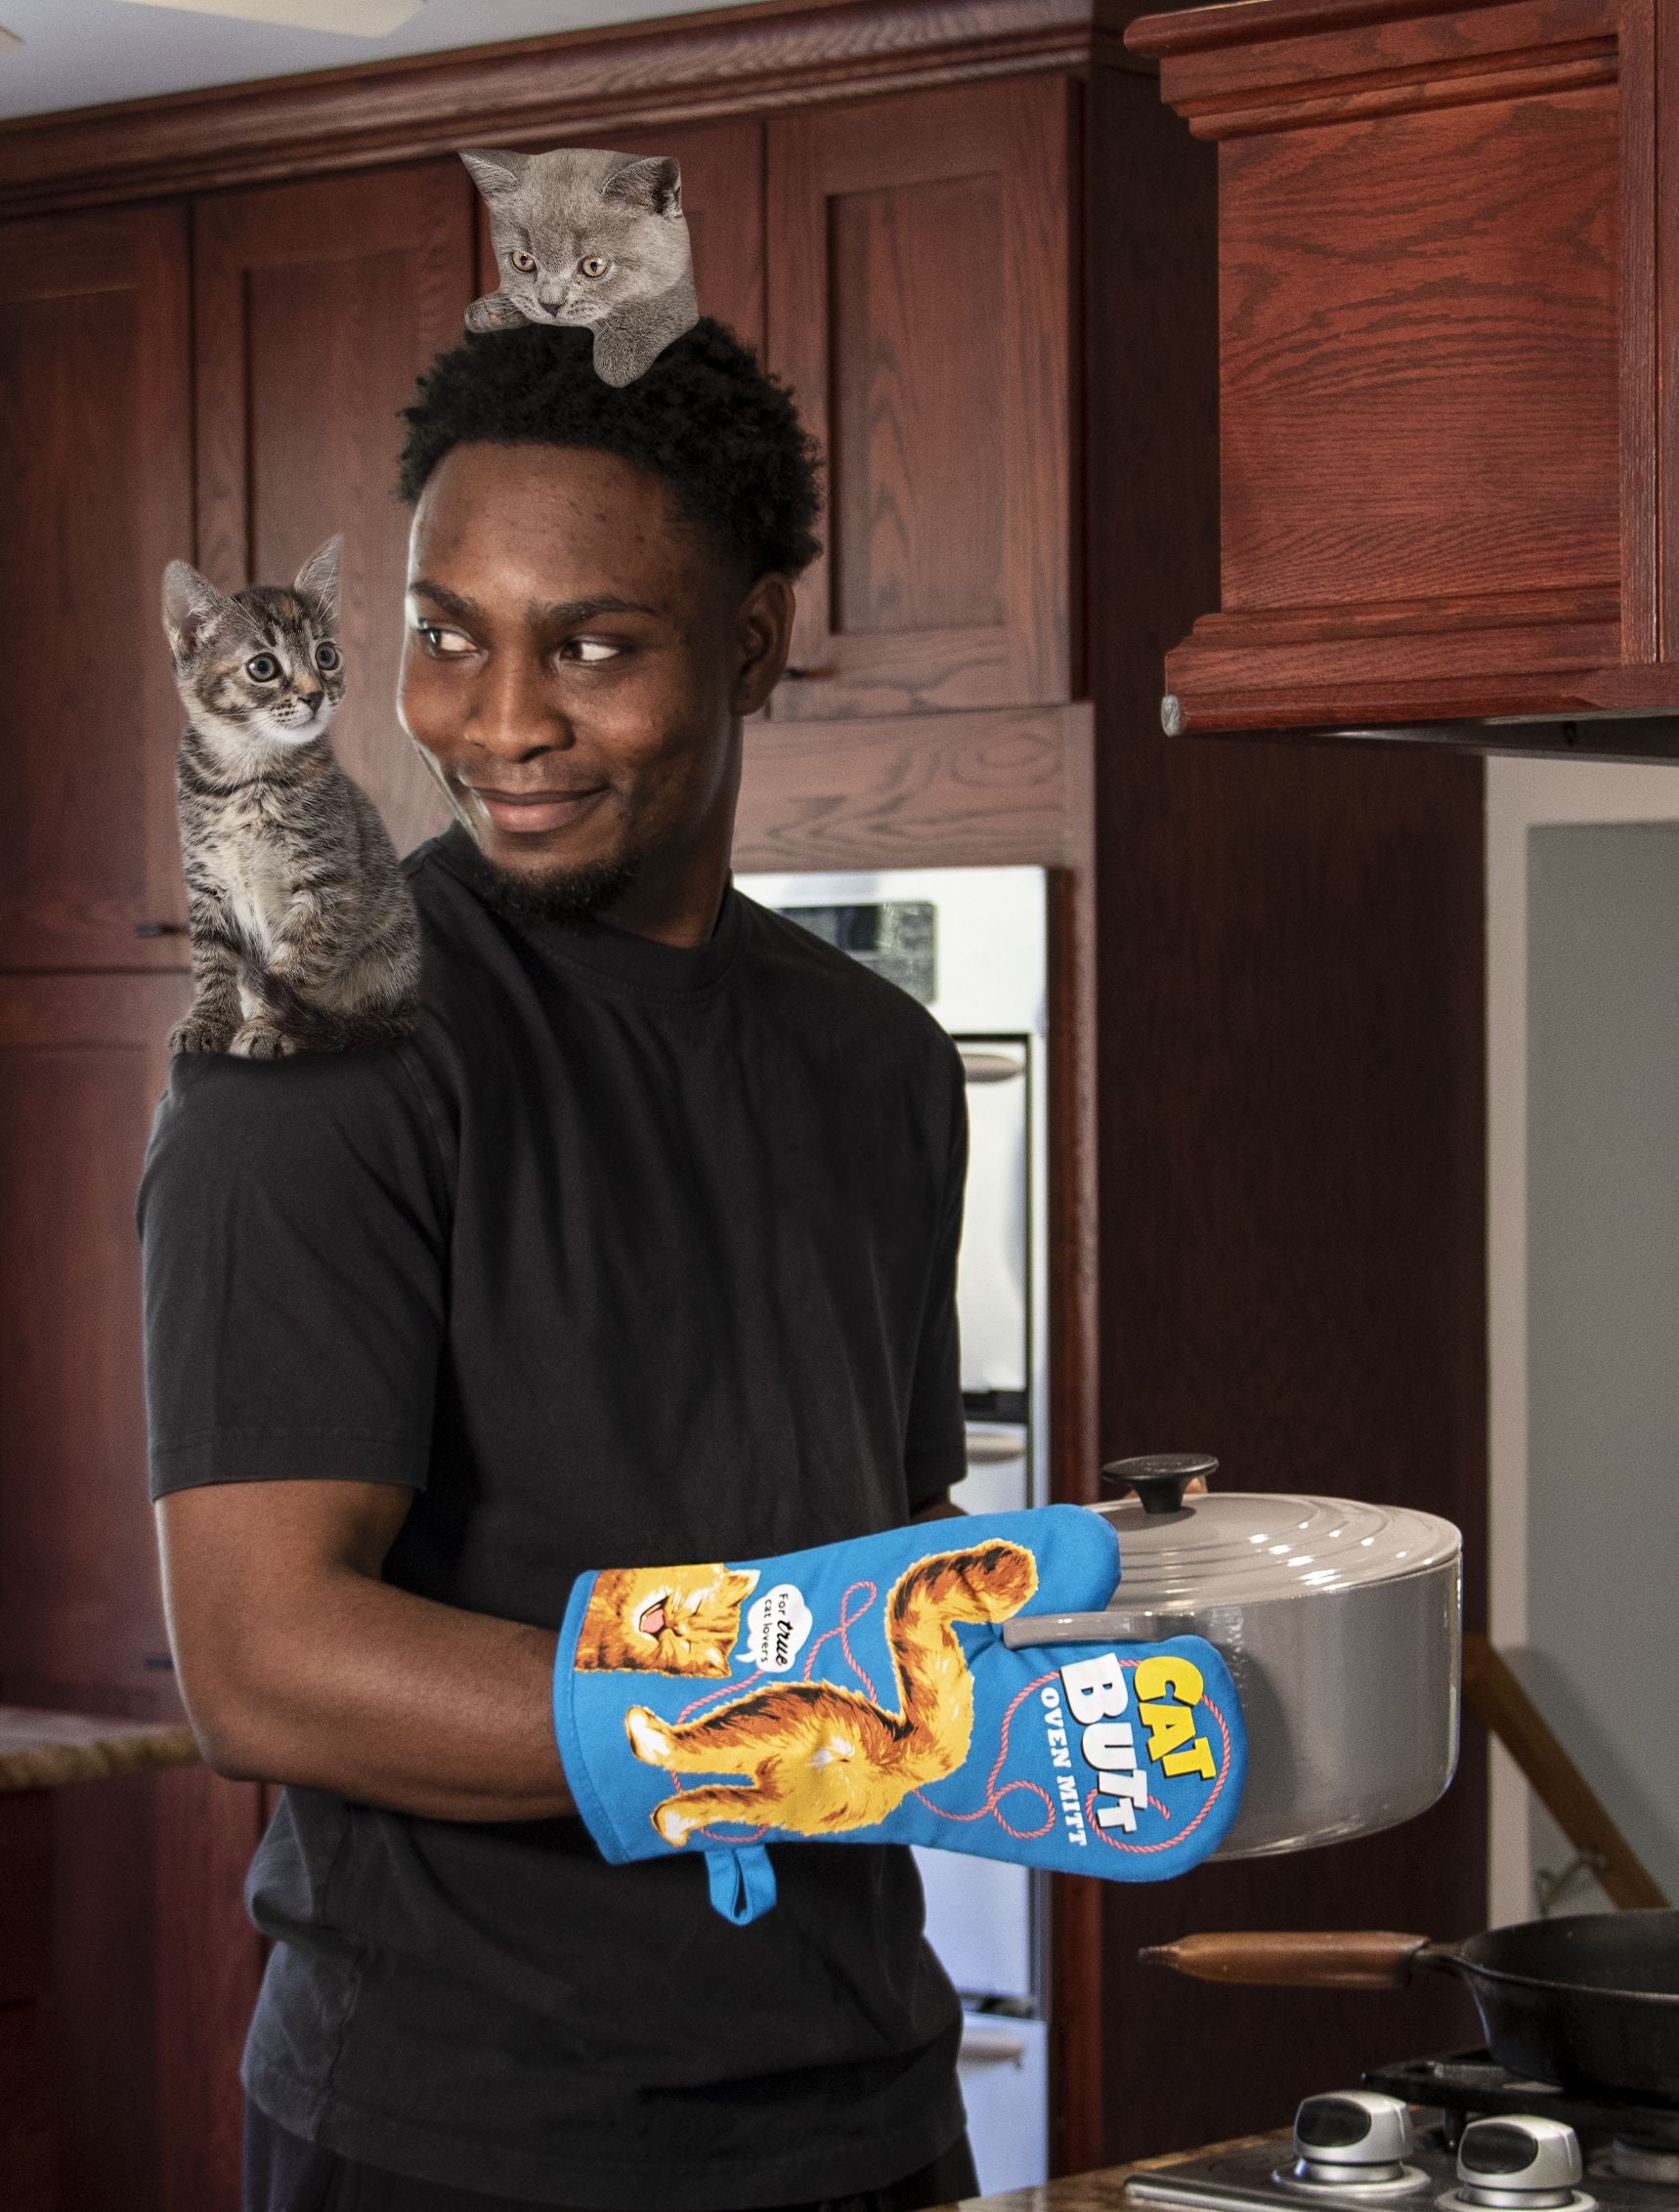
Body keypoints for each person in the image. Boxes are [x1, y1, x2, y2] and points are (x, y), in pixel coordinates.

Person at [137, 317, 983, 2212]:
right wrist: (807, 1726)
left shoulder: (879, 1062)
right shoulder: (323, 1039)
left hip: (865, 2095)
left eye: (590, 645)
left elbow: (885, 1534)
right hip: (472, 2130)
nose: (496, 718)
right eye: (448, 633)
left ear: (751, 640)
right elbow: (271, 1661)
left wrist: (1080, 1649)